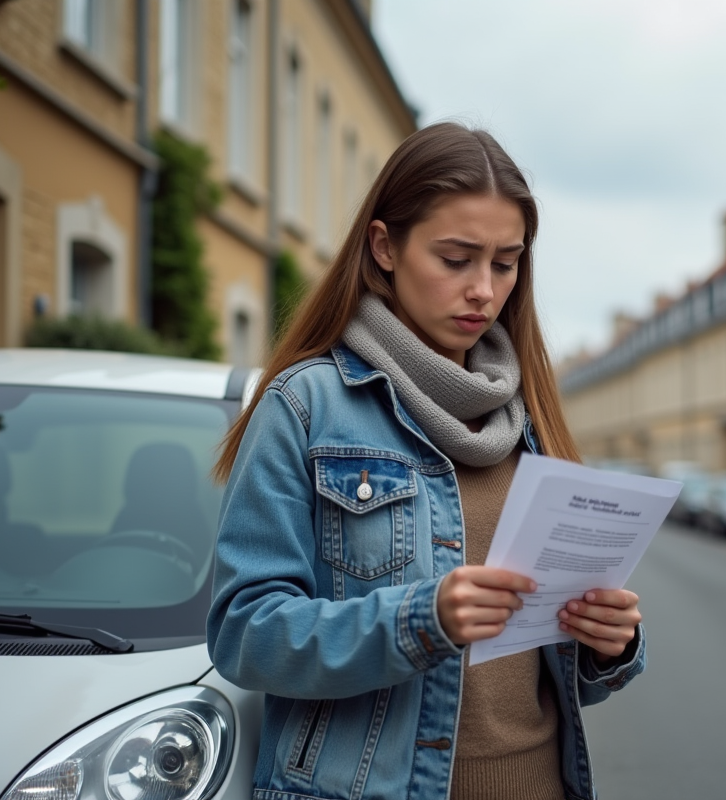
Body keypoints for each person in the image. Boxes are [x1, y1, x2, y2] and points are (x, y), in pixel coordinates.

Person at [207, 121, 645, 800]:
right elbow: (244, 635)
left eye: (505, 263)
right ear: (384, 247)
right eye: (455, 258)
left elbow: (543, 668)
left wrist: (606, 641)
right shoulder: (307, 405)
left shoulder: (529, 415)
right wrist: (420, 619)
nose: (483, 290)